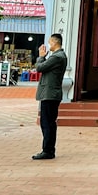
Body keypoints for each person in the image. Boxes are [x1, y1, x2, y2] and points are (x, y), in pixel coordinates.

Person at [32, 32, 68, 160]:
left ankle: (47, 150)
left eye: (50, 42)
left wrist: (41, 57)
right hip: (51, 93)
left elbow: (39, 68)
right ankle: (48, 149)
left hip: (50, 94)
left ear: (54, 42)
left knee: (47, 123)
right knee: (49, 122)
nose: (48, 45)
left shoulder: (57, 57)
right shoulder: (58, 56)